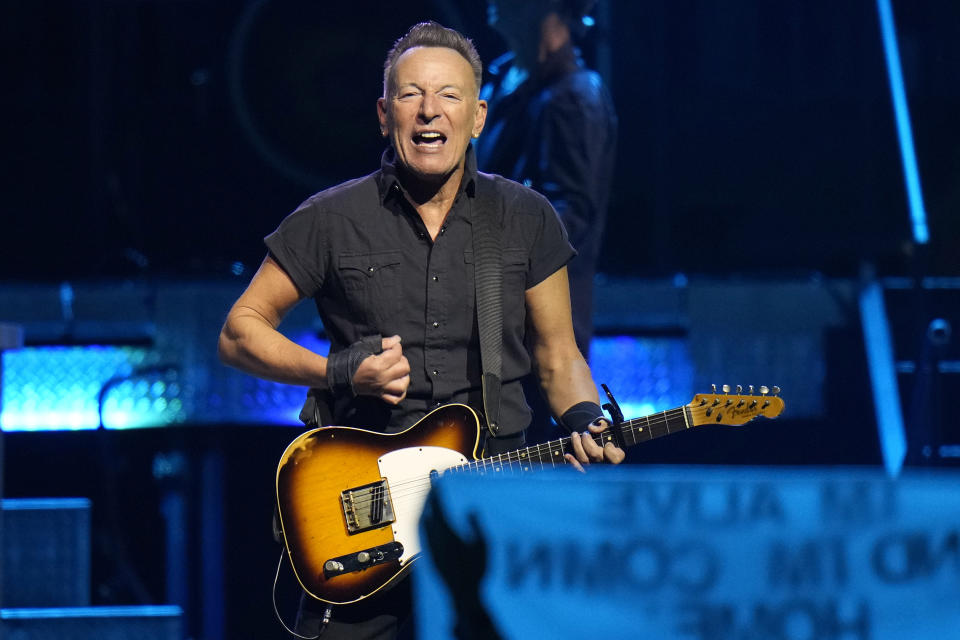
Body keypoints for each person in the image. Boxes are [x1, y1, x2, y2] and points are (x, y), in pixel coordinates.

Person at [218, 21, 624, 640]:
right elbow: (239, 331)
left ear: (480, 116)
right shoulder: (331, 219)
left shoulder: (525, 219)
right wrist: (337, 369)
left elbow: (557, 355)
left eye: (450, 96)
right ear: (385, 114)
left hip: (490, 515)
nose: (429, 111)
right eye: (411, 95)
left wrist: (581, 421)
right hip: (362, 521)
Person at [476, 0, 617, 359]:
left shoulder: (572, 96)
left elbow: (568, 216)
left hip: (532, 339)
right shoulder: (500, 79)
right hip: (486, 326)